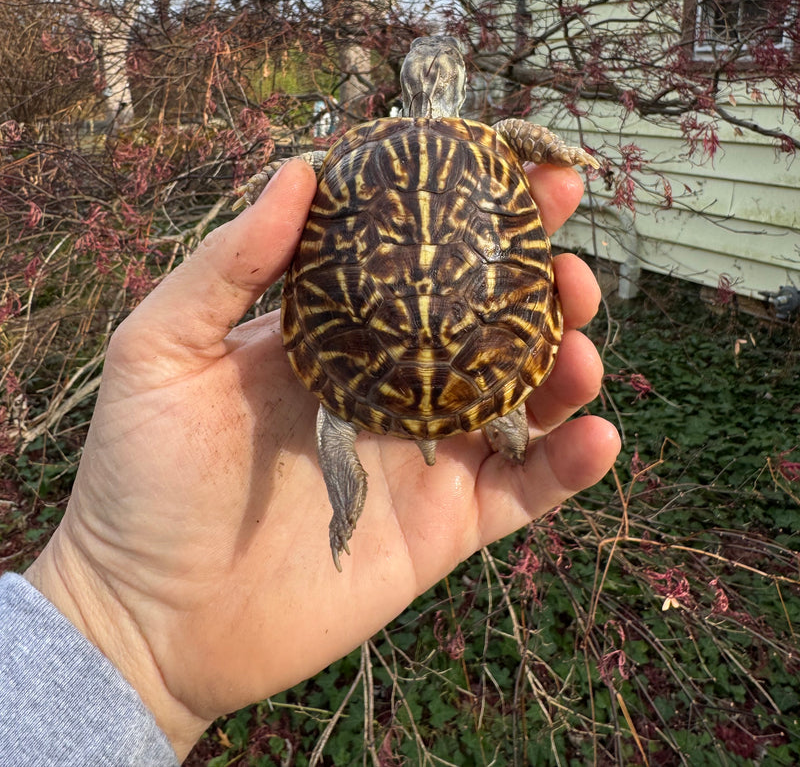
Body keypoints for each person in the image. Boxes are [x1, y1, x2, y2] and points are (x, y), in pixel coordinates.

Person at [0, 156, 620, 766]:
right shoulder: (493, 152)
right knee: (489, 396)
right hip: (475, 368)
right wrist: (116, 609)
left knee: (337, 416)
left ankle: (357, 488)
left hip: (358, 359)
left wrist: (109, 620)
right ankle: (495, 421)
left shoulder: (352, 160)